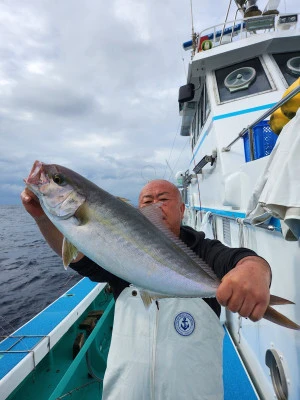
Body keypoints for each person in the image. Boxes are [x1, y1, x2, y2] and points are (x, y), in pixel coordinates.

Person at [21, 179, 271, 399]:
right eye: (147, 201)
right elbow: (79, 260)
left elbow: (238, 259)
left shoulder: (202, 250)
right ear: (139, 212)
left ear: (182, 209)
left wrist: (254, 268)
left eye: (163, 199)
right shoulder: (120, 254)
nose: (155, 204)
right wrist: (42, 218)